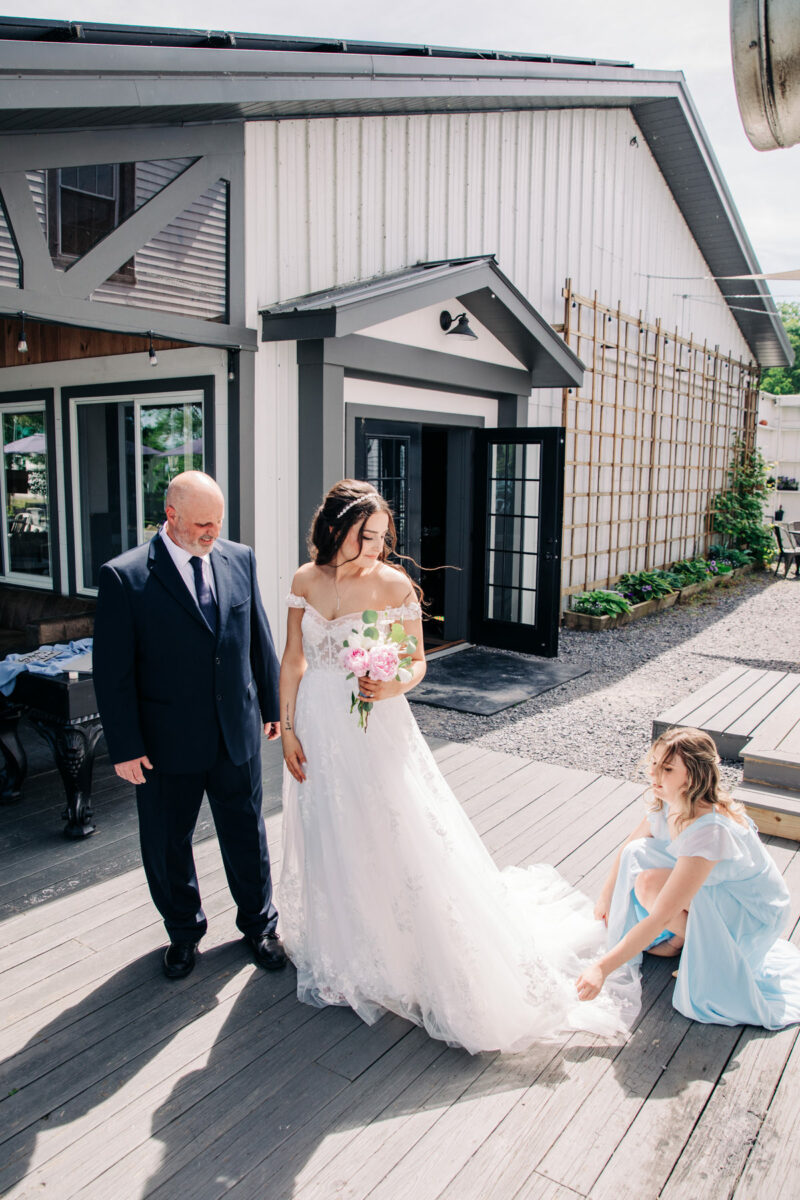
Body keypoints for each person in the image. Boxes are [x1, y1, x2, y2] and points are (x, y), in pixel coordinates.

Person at [278, 479, 630, 1054]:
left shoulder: (393, 584)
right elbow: (292, 657)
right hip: (315, 725)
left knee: (386, 827)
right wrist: (287, 727)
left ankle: (397, 947)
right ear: (334, 528)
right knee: (327, 827)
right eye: (363, 536)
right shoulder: (303, 580)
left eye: (381, 537)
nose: (374, 548)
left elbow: (417, 663)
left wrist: (389, 683)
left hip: (374, 725)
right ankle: (337, 940)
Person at [93, 470, 286, 980]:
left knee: (247, 833)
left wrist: (271, 707)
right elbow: (113, 674)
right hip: (163, 744)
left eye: (218, 522)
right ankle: (183, 933)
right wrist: (125, 747)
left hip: (235, 732)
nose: (211, 533)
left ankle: (260, 926)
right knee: (167, 842)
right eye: (202, 523)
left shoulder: (239, 558)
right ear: (170, 515)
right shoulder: (125, 576)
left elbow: (257, 637)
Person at [576, 727, 800, 1027]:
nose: (655, 774)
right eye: (654, 764)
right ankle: (683, 940)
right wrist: (606, 897)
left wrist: (601, 969)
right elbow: (629, 846)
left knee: (649, 884)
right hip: (719, 889)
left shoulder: (708, 829)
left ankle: (698, 945)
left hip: (752, 912)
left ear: (692, 776)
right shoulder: (669, 799)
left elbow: (658, 916)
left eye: (667, 769)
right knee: (639, 853)